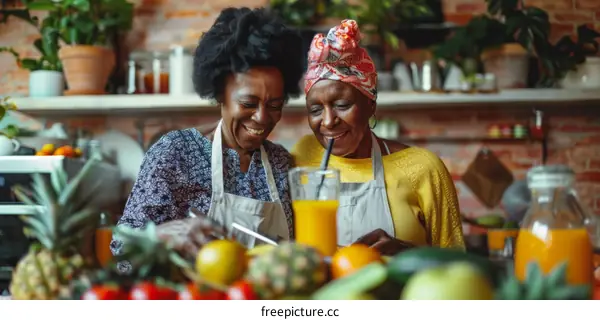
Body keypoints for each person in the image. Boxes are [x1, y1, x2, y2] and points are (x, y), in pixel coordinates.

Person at [111, 7, 305, 271]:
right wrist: (165, 235)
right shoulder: (176, 153)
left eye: (274, 105)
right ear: (219, 96)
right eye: (248, 103)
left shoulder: (282, 162)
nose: (262, 117)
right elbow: (122, 251)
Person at [292, 20, 465, 256]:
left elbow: (456, 266)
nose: (328, 120)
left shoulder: (423, 169)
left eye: (342, 105)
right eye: (315, 110)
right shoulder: (301, 158)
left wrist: (406, 252)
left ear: (370, 105)